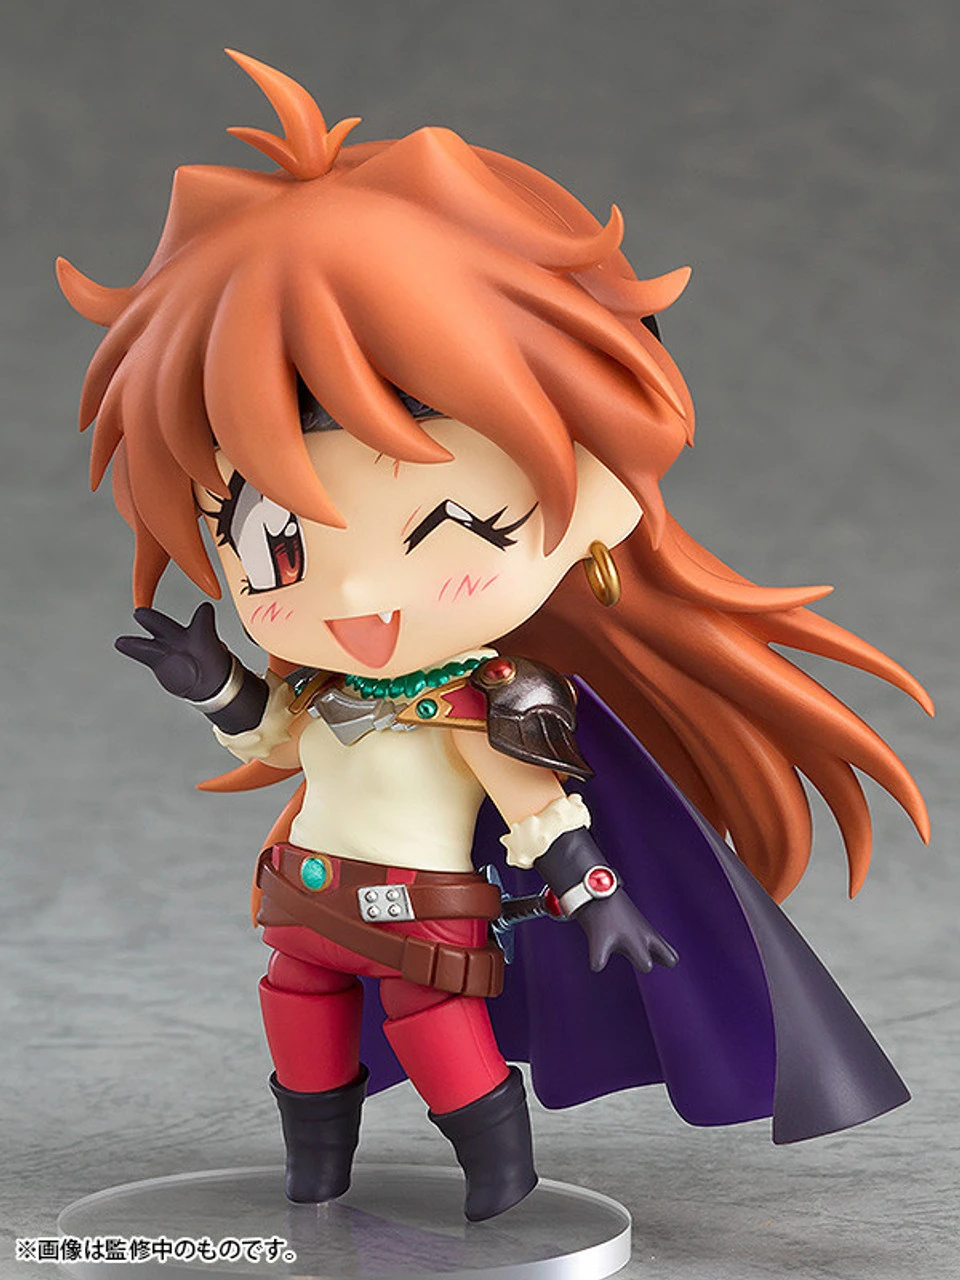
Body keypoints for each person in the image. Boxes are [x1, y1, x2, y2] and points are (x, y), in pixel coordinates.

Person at [57, 50, 931, 1222]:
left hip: (421, 912)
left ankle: (497, 1178)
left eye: (455, 524)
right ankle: (316, 1171)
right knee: (297, 1016)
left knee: (435, 1026)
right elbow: (277, 739)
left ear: (598, 502)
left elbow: (540, 810)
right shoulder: (318, 683)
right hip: (304, 904)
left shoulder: (491, 699)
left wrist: (597, 895)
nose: (359, 590)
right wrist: (215, 681)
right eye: (273, 542)